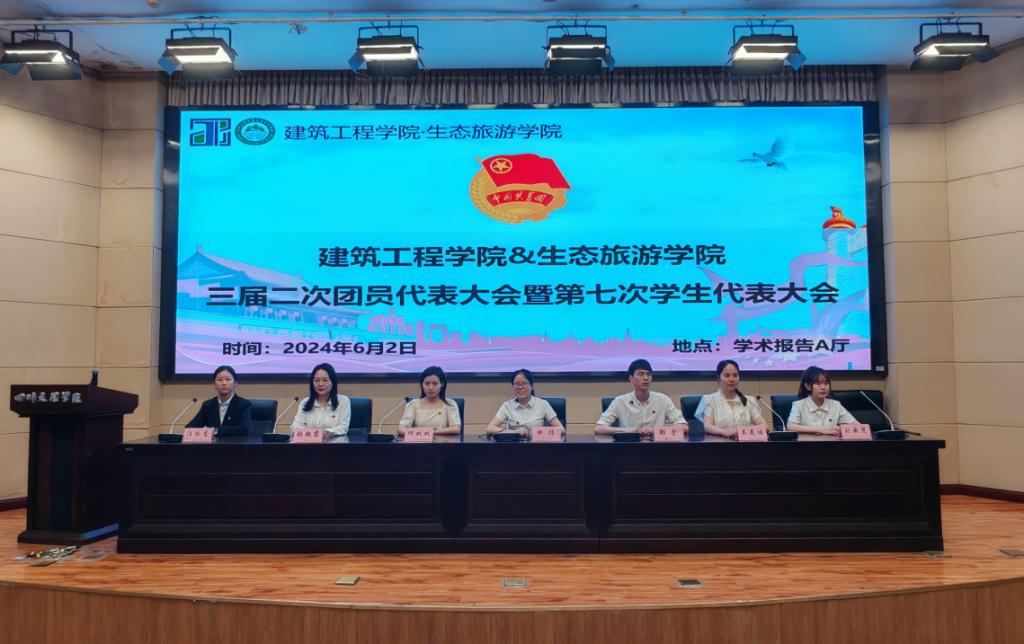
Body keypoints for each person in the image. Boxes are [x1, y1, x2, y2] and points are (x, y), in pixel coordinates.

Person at [595, 359, 685, 436]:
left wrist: (654, 431)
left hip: (657, 447)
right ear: (631, 378)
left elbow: (683, 426)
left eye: (648, 374)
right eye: (641, 374)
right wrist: (628, 430)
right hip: (629, 447)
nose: (646, 378)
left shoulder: (663, 400)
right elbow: (599, 428)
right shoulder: (620, 401)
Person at [696, 359, 767, 439]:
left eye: (735, 375)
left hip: (745, 444)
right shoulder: (710, 400)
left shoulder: (748, 400)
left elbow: (765, 427)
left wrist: (741, 431)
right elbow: (707, 426)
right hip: (719, 443)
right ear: (719, 378)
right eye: (727, 375)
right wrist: (722, 431)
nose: (732, 379)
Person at [486, 369, 563, 437]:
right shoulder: (507, 405)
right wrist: (512, 432)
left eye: (524, 383)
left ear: (531, 386)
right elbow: (490, 428)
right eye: (517, 384)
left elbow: (561, 430)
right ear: (513, 387)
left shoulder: (542, 404)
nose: (520, 387)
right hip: (514, 446)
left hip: (537, 445)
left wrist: (537, 433)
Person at [787, 365, 858, 435]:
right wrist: (820, 429)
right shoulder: (799, 405)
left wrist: (840, 428)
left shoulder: (835, 405)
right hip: (806, 442)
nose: (823, 387)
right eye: (818, 384)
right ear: (807, 386)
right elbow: (791, 426)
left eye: (826, 383)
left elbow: (857, 425)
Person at [185, 365, 253, 436]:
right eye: (219, 380)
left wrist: (215, 431)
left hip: (235, 443)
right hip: (213, 443)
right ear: (214, 384)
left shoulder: (244, 404)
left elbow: (245, 429)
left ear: (235, 383)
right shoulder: (208, 405)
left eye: (228, 379)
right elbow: (189, 428)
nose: (224, 383)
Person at [290, 363, 351, 436]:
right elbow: (296, 426)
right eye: (317, 380)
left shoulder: (343, 401)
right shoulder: (305, 402)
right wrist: (314, 435)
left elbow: (343, 427)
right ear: (312, 383)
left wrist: (326, 433)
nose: (320, 384)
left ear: (333, 382)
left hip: (334, 442)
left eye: (325, 380)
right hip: (308, 442)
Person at [398, 366, 461, 436]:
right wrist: (423, 435)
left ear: (442, 384)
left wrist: (430, 433)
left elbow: (456, 429)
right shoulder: (413, 404)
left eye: (435, 383)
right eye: (427, 383)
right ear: (422, 384)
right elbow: (401, 429)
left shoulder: (450, 404)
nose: (430, 387)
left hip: (443, 442)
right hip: (418, 442)